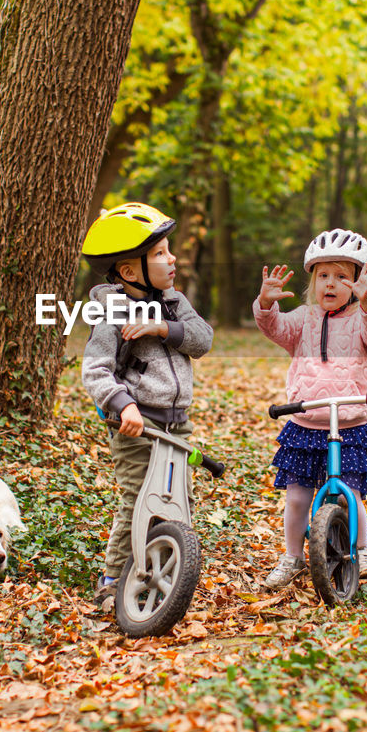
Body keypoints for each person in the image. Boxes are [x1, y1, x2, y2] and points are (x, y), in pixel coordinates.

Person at [80, 203, 213, 608]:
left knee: (177, 503)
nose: (171, 259)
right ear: (129, 271)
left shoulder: (174, 302)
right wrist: (123, 405)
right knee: (137, 499)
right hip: (137, 427)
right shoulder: (112, 312)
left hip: (177, 426)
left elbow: (202, 339)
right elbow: (95, 370)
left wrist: (162, 327)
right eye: (159, 253)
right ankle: (112, 578)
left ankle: (165, 571)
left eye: (169, 250)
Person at [255, 229, 367, 589]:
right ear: (313, 281)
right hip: (305, 422)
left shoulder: (363, 321)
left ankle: (361, 550)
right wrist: (266, 305)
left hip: (348, 423)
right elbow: (275, 328)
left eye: (342, 277)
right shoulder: (302, 319)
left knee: (350, 492)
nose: (330, 284)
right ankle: (292, 557)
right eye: (323, 276)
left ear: (358, 282)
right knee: (298, 495)